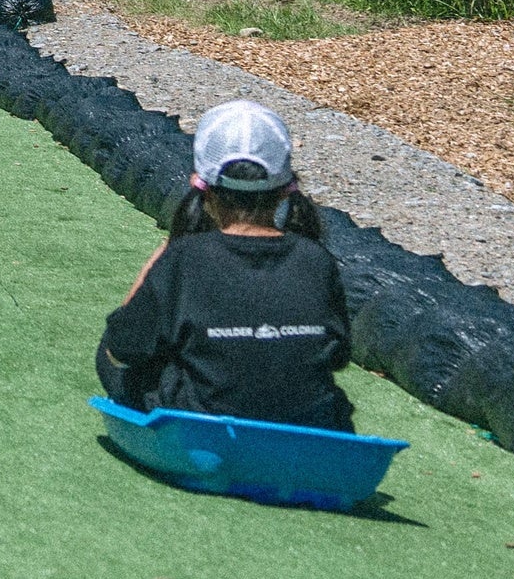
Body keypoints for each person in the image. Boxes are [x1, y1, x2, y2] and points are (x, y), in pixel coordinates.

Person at [94, 98, 355, 434]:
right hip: (311, 425)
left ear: (201, 186)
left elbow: (123, 347)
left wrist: (163, 257)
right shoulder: (317, 258)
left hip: (202, 425)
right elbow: (338, 356)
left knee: (114, 356)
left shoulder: (183, 257)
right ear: (286, 190)